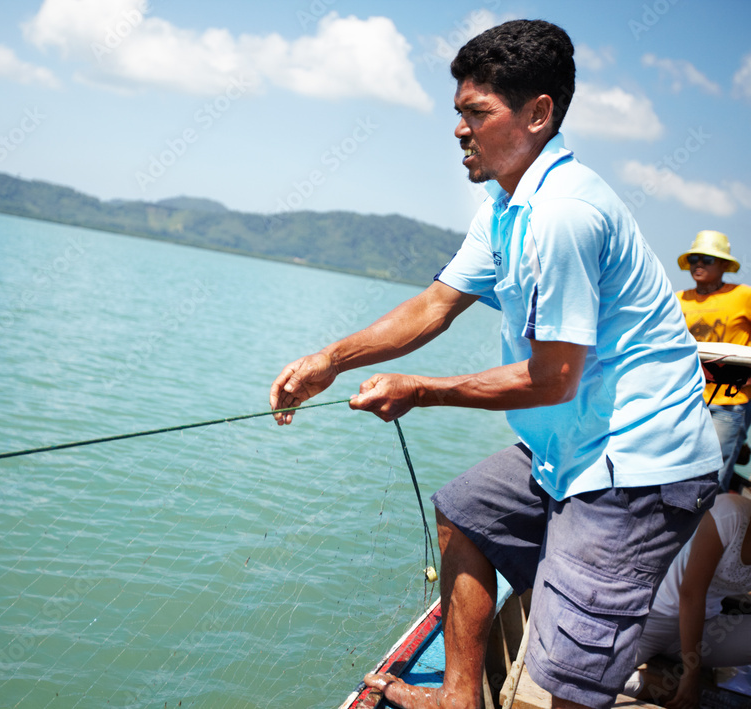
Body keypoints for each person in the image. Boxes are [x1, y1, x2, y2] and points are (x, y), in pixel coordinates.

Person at [269, 19, 722, 709]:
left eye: (476, 113)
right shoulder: (506, 206)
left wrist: (420, 389)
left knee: (566, 682)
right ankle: (459, 698)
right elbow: (434, 306)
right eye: (459, 112)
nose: (459, 130)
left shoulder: (564, 215)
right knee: (465, 511)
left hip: (636, 467)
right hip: (571, 443)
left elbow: (552, 377)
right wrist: (330, 359)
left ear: (538, 114)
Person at [624, 493, 751, 709]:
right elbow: (691, 595)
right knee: (588, 677)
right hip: (653, 618)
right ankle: (652, 686)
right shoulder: (730, 513)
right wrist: (691, 676)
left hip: (704, 629)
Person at [676, 231, 751, 491]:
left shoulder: (743, 296)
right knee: (676, 471)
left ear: (724, 265)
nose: (699, 264)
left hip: (729, 402)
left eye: (708, 259)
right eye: (694, 258)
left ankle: (713, 528)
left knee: (713, 478)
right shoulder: (677, 299)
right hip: (683, 399)